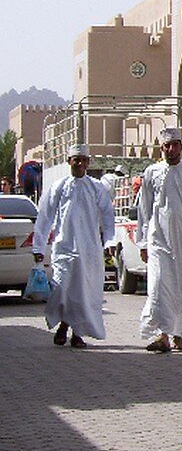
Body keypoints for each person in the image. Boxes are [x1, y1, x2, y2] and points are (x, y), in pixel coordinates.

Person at [32, 144, 115, 349]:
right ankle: (62, 324)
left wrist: (110, 242)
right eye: (76, 159)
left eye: (83, 160)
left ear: (88, 163)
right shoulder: (59, 186)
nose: (79, 163)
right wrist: (39, 247)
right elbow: (45, 217)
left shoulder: (96, 187)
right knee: (61, 290)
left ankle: (77, 333)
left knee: (83, 292)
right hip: (64, 247)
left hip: (89, 249)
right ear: (69, 161)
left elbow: (108, 216)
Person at [136, 127, 182, 353]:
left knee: (179, 289)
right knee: (157, 287)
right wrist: (143, 242)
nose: (171, 149)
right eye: (167, 146)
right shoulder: (151, 173)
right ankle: (161, 335)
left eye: (175, 145)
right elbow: (144, 210)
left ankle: (177, 334)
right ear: (161, 148)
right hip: (158, 239)